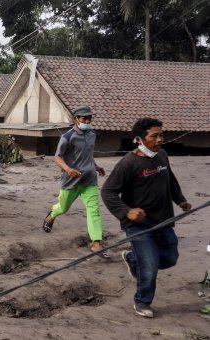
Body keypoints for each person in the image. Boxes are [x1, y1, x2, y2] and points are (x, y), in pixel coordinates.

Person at [101, 117, 191, 318]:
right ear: (139, 140)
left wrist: (180, 199)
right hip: (138, 224)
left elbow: (171, 180)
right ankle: (142, 301)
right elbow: (108, 192)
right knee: (149, 265)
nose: (159, 140)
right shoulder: (128, 163)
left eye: (161, 135)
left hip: (164, 220)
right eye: (154, 136)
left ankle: (132, 258)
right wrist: (127, 211)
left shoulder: (162, 156)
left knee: (170, 258)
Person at [42, 106, 108, 257]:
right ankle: (52, 215)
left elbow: (88, 154)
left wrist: (96, 167)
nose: (87, 121)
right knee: (63, 208)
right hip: (71, 180)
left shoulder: (92, 134)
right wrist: (68, 169)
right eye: (84, 118)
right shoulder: (67, 137)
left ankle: (96, 243)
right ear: (76, 119)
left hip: (89, 179)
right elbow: (57, 157)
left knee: (94, 210)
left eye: (89, 118)